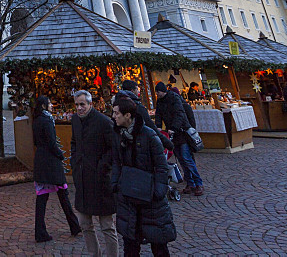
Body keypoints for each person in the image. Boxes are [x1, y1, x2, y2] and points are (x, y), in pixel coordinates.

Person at [110, 96, 177, 257]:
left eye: (116, 113)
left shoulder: (148, 135)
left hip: (151, 199)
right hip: (128, 197)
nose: (113, 116)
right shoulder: (118, 136)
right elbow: (116, 163)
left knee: (158, 245)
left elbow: (161, 166)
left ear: (128, 115)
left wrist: (158, 190)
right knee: (130, 245)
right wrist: (116, 185)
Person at [70, 89, 119, 256]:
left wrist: (102, 167)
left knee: (107, 225)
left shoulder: (104, 122)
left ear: (90, 104)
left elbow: (114, 148)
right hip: (82, 179)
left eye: (82, 104)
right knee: (84, 223)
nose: (79, 108)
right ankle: (94, 254)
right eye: (77, 105)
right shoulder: (75, 120)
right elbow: (74, 142)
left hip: (101, 180)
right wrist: (75, 162)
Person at [32, 95, 81, 243]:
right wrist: (61, 155)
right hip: (51, 163)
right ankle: (74, 226)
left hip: (41, 161)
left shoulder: (36, 120)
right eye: (50, 103)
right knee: (63, 195)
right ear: (43, 106)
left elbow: (37, 141)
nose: (52, 105)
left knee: (43, 197)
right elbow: (52, 143)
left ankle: (41, 231)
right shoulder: (47, 121)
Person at [154, 82, 203, 195]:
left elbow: (179, 114)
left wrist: (174, 127)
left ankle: (198, 183)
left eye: (158, 92)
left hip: (182, 132)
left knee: (186, 158)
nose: (157, 94)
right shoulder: (160, 101)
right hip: (173, 135)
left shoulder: (174, 98)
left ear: (163, 91)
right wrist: (158, 127)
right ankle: (190, 184)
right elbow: (158, 114)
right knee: (181, 159)